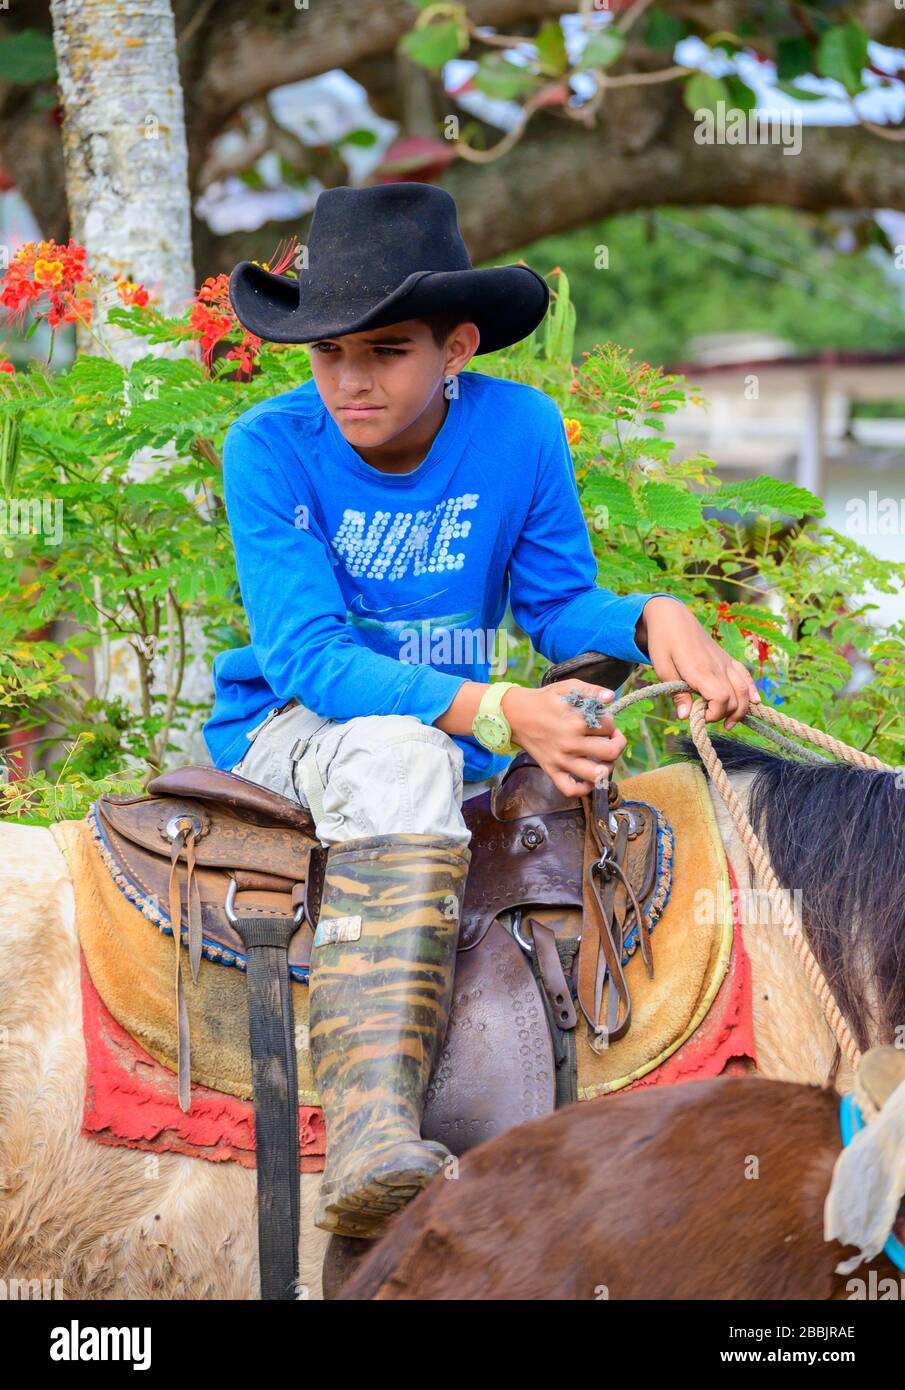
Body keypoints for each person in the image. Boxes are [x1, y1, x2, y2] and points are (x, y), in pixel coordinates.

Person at [202, 183, 759, 1239]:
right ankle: (370, 1130)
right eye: (328, 355)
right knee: (401, 756)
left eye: (386, 350)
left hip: (447, 725)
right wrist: (499, 707)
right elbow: (311, 657)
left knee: (569, 774)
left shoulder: (520, 429)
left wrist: (652, 617)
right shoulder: (267, 447)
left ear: (456, 346)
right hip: (288, 727)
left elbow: (553, 603)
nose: (350, 381)